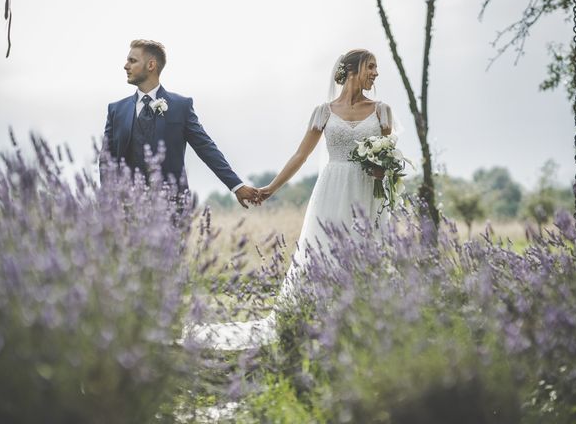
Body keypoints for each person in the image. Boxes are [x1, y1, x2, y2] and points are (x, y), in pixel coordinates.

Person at [181, 49, 395, 350]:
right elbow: (301, 155)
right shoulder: (324, 112)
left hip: (366, 191)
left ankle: (365, 323)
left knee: (366, 250)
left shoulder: (382, 111)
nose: (375, 73)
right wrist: (271, 188)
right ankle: (321, 322)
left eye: (376, 68)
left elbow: (388, 158)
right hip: (331, 191)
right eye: (371, 67)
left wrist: (381, 169)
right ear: (351, 70)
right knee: (326, 252)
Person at [99, 39, 258, 207]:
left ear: (151, 65)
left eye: (132, 61)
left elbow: (206, 148)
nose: (125, 66)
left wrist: (236, 186)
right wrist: (108, 202)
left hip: (172, 208)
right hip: (126, 211)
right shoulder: (116, 110)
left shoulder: (180, 106)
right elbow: (105, 160)